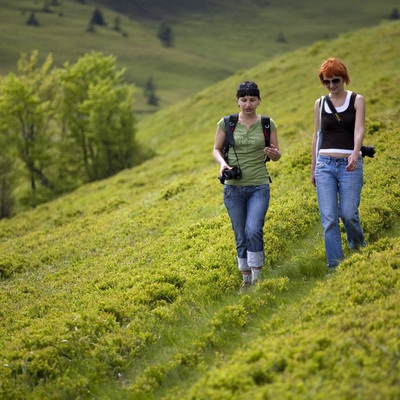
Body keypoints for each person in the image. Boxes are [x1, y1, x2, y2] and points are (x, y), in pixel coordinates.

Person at [213, 81, 281, 292]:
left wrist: (274, 154)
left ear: (259, 100)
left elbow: (277, 153)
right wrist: (223, 164)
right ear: (238, 101)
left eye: (252, 99)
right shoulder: (227, 123)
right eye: (244, 100)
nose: (248, 104)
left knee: (253, 230)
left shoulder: (268, 123)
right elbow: (216, 149)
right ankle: (246, 279)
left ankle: (257, 277)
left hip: (259, 186)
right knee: (240, 234)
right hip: (233, 188)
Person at [311, 58, 366, 272]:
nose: (332, 86)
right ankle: (336, 265)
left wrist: (355, 153)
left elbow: (359, 129)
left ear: (344, 78)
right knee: (329, 218)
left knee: (349, 213)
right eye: (327, 82)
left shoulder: (356, 100)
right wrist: (313, 167)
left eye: (335, 80)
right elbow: (317, 135)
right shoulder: (320, 103)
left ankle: (359, 248)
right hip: (324, 164)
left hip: (350, 164)